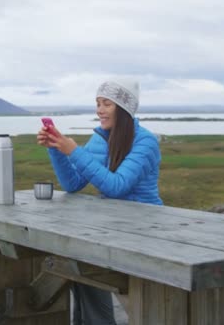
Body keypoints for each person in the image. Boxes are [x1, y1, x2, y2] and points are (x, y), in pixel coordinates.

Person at [36, 79, 162, 324]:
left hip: (147, 228)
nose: (99, 110)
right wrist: (56, 148)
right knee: (77, 262)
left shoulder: (145, 142)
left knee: (83, 261)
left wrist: (73, 150)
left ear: (123, 109)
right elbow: (73, 184)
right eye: (97, 103)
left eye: (107, 104)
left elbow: (116, 187)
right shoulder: (100, 139)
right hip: (113, 226)